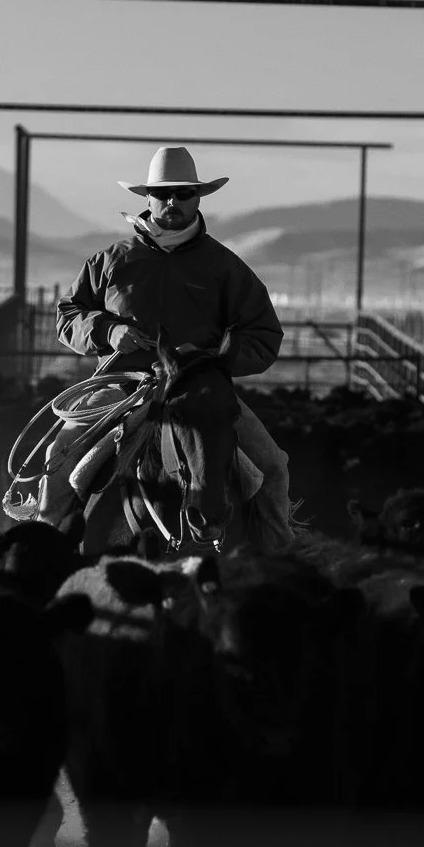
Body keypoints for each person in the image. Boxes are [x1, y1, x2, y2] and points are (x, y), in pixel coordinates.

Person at [54, 145, 295, 550]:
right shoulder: (112, 261)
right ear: (146, 198)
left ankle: (280, 556)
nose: (172, 201)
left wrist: (214, 364)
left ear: (198, 198)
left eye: (184, 193)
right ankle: (45, 550)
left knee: (271, 465)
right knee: (61, 460)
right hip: (120, 387)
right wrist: (107, 331)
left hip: (197, 392)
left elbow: (264, 334)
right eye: (163, 193)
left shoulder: (225, 267)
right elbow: (67, 316)